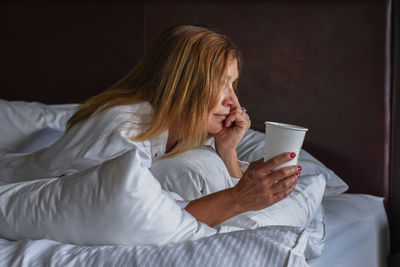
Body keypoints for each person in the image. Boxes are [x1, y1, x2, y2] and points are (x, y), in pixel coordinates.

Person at [0, 25, 300, 227]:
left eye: (233, 84)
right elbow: (136, 217)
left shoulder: (184, 131)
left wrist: (227, 150)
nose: (233, 101)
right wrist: (236, 200)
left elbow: (228, 189)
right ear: (184, 84)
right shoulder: (123, 127)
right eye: (221, 84)